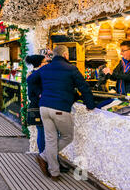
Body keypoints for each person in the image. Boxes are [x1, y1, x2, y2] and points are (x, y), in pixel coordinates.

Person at [27, 45, 96, 181]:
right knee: (67, 137)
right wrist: (90, 105)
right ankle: (44, 156)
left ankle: (54, 172)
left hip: (44, 108)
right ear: (65, 55)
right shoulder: (71, 69)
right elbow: (84, 87)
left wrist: (39, 93)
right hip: (60, 108)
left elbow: (30, 80)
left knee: (51, 139)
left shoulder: (45, 67)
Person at [25, 54, 48, 155]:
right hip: (39, 106)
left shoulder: (33, 74)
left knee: (41, 131)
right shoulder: (37, 76)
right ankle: (43, 155)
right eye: (44, 62)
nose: (47, 63)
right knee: (42, 132)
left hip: (38, 105)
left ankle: (43, 155)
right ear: (40, 64)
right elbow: (39, 93)